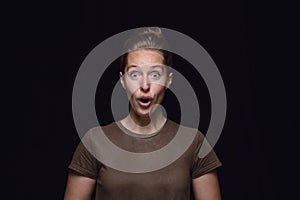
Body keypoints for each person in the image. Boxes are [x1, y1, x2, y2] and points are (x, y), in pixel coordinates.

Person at [64, 27, 222, 200]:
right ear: (123, 80)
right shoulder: (95, 140)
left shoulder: (194, 142)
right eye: (135, 74)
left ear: (168, 80)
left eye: (154, 74)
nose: (145, 85)